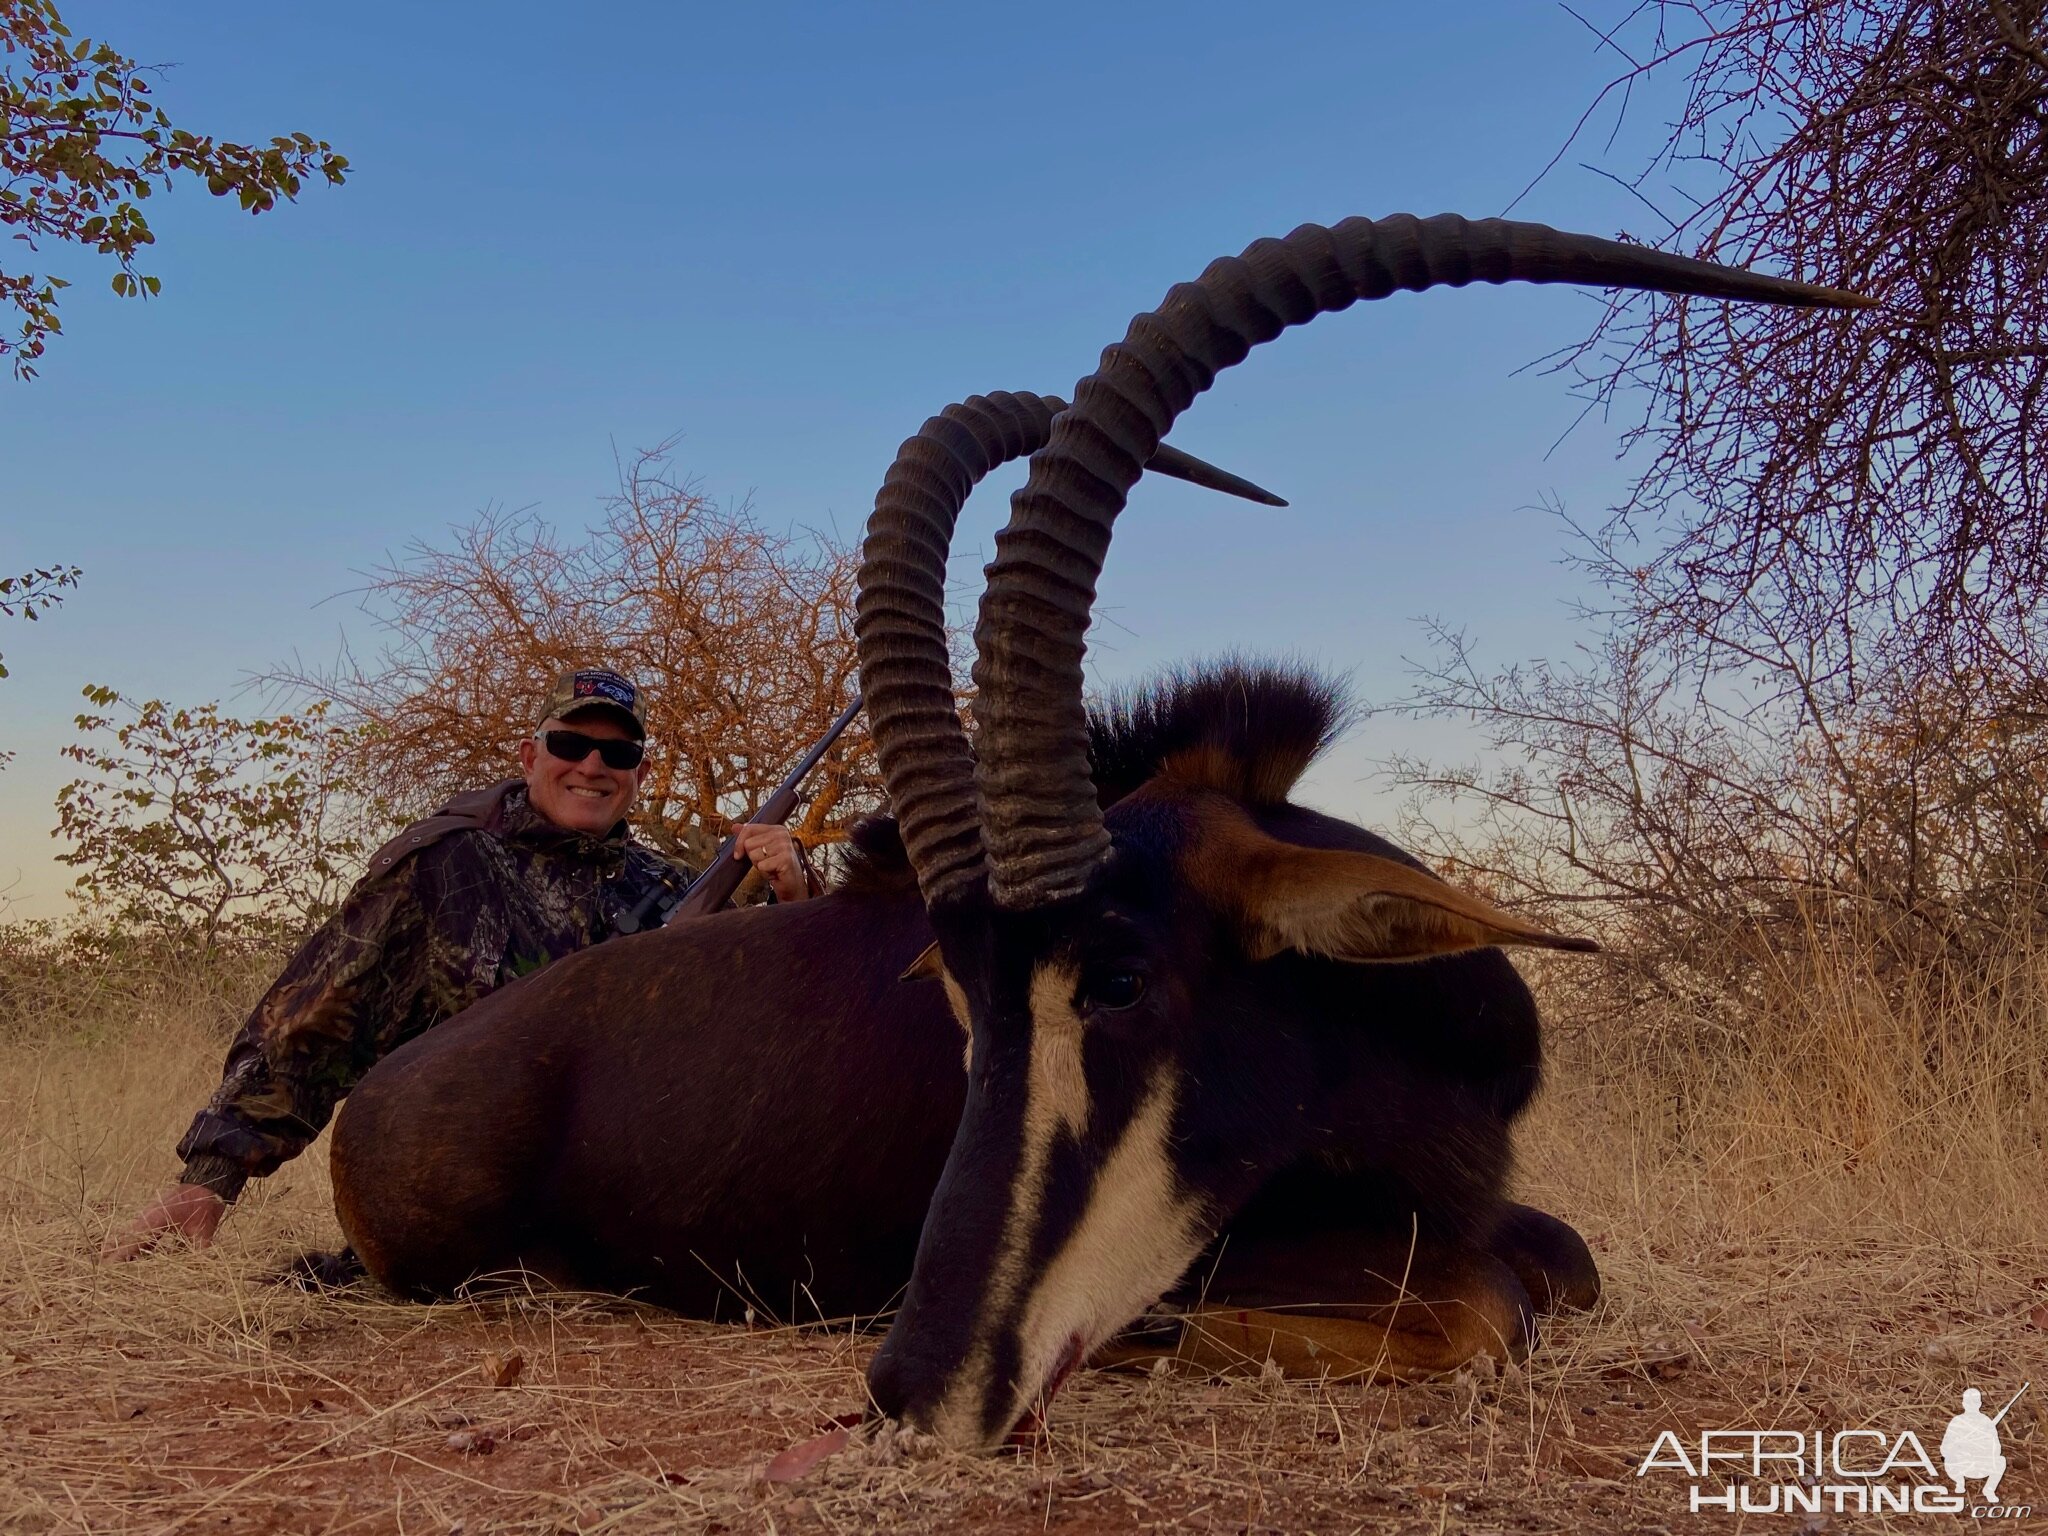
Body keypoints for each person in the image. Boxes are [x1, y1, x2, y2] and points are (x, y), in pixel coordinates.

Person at [105, 666, 818, 1260]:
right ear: (529, 756)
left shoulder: (666, 888)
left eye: (619, 755)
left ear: (641, 773)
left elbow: (767, 1046)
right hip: (470, 1209)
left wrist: (794, 899)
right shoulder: (447, 862)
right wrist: (210, 1178)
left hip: (629, 1222)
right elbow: (312, 1019)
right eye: (571, 742)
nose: (594, 766)